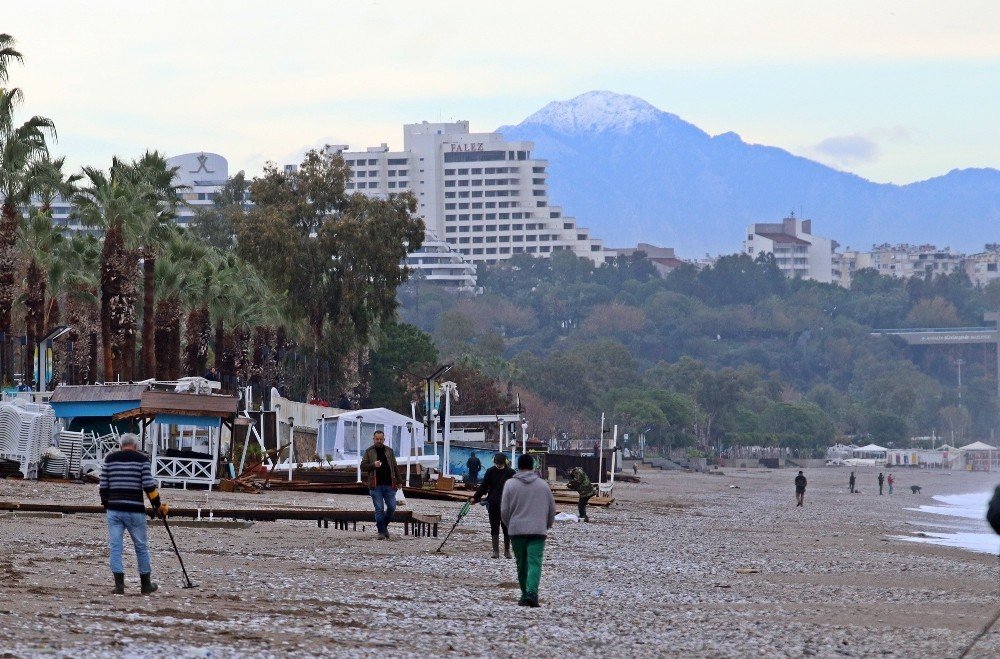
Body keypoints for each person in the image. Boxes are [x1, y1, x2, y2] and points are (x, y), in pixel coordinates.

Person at [99, 433, 168, 595]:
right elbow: (149, 487)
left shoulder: (109, 460)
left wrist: (107, 504)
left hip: (114, 510)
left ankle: (119, 585)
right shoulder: (142, 460)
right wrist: (158, 506)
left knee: (116, 547)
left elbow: (103, 486)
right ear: (136, 446)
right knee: (141, 547)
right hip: (135, 509)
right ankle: (145, 585)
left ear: (120, 445)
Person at [501, 453, 556, 608]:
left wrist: (509, 524)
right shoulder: (543, 485)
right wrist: (546, 524)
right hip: (538, 531)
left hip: (516, 530)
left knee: (521, 563)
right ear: (533, 466)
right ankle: (532, 593)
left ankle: (525, 594)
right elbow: (552, 509)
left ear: (518, 466)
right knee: (534, 562)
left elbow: (504, 510)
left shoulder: (510, 485)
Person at [473, 453, 516, 559]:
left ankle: (507, 551)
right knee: (494, 527)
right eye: (497, 463)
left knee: (506, 528)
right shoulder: (490, 471)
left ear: (505, 462)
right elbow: (484, 486)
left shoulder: (511, 473)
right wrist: (475, 497)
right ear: (494, 462)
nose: (499, 465)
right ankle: (495, 551)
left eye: (500, 464)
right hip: (493, 504)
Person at [360, 430, 399, 539]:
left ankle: (382, 526)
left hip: (389, 485)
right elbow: (362, 466)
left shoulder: (389, 451)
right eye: (377, 439)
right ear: (373, 439)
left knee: (392, 507)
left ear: (384, 439)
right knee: (379, 509)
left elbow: (395, 467)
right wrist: (373, 464)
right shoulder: (369, 451)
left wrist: (399, 481)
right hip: (375, 485)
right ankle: (381, 532)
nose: (379, 441)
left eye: (381, 439)